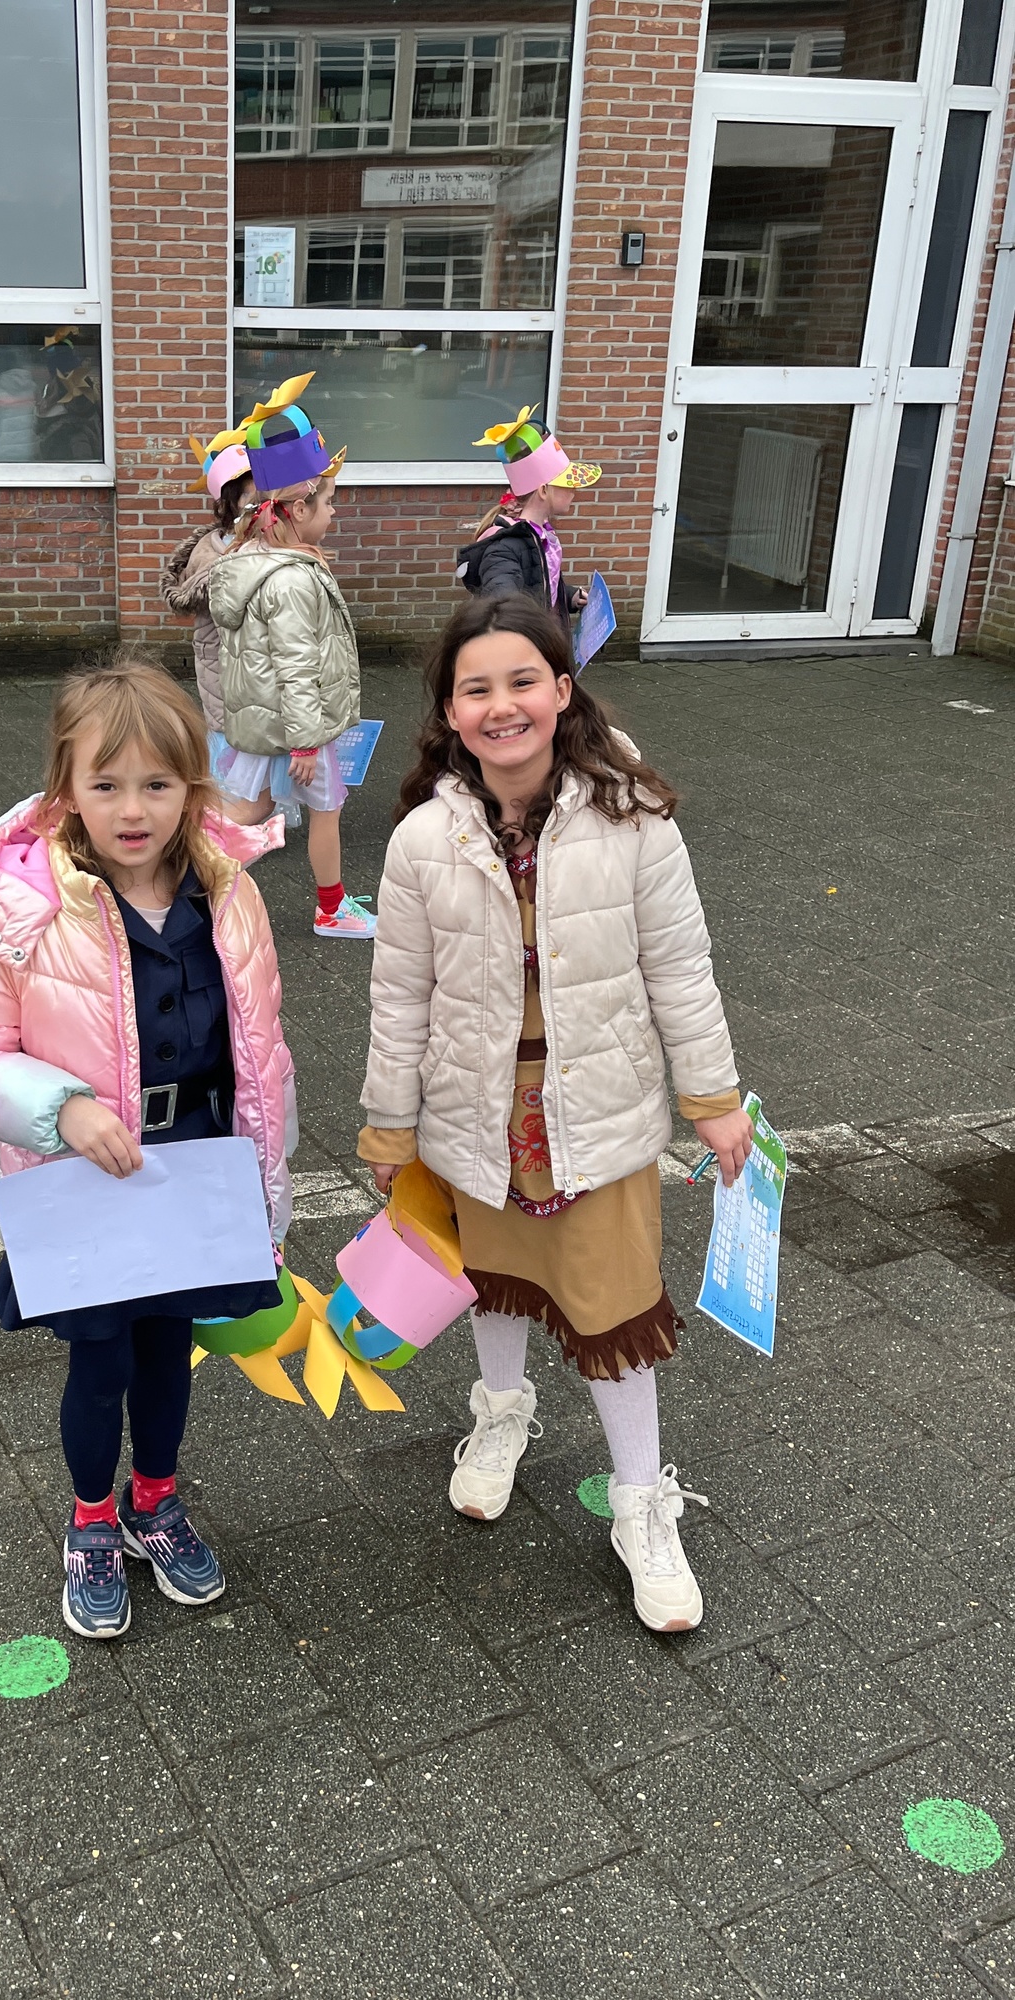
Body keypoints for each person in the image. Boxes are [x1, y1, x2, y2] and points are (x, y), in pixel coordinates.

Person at [356, 594, 753, 1633]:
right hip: (473, 1115)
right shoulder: (422, 840)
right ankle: (501, 1414)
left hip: (600, 1115)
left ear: (563, 689)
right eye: (475, 688)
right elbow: (399, 996)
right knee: (494, 1285)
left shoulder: (635, 818)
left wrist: (712, 1097)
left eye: (523, 680)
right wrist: (389, 1122)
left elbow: (681, 966)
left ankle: (641, 1499)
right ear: (450, 710)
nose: (502, 705)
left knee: (614, 1309)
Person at [0, 662, 296, 1641]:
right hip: (83, 1177)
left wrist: (267, 1184)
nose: (134, 809)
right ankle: (91, 1519)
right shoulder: (19, 913)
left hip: (195, 1164)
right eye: (107, 783)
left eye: (158, 784)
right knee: (100, 1364)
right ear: (66, 788)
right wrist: (63, 1110)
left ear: (193, 787)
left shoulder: (232, 897)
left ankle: (154, 1502)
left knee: (170, 1352)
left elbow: (263, 1049)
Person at [208, 374, 374, 941]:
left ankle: (187, 887)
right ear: (298, 509)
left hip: (267, 720)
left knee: (248, 812)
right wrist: (304, 741)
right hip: (297, 725)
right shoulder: (292, 580)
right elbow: (297, 663)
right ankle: (331, 910)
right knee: (324, 811)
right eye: (328, 503)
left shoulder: (254, 559)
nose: (334, 514)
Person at [160, 430, 256, 807]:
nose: (263, 507)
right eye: (253, 499)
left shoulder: (263, 544)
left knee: (256, 738)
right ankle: (227, 811)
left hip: (251, 666)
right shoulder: (216, 554)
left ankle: (256, 809)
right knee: (230, 737)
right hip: (224, 664)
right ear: (230, 504)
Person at [455, 406, 600, 620]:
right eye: (566, 484)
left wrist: (568, 597)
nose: (574, 491)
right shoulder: (503, 549)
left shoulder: (541, 535)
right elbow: (503, 605)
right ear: (543, 491)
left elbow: (539, 585)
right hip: (531, 639)